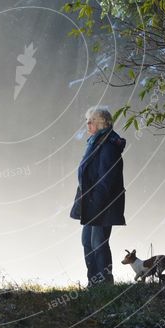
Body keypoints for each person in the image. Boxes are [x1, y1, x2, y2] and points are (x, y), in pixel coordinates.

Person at [70, 106, 127, 287]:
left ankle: (105, 283)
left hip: (102, 204)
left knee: (98, 243)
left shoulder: (108, 145)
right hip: (91, 202)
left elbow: (106, 179)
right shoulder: (95, 141)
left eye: (90, 121)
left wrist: (97, 203)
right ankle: (93, 283)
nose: (87, 124)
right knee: (87, 241)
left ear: (100, 123)